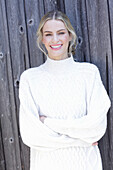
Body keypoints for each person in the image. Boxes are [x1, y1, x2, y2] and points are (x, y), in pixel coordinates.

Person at [19, 10, 111, 170]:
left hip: (86, 164)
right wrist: (81, 139)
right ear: (41, 38)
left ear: (70, 35)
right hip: (46, 165)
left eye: (60, 33)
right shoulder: (30, 79)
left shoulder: (89, 73)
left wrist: (47, 122)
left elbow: (96, 128)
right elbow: (31, 135)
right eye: (48, 34)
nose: (55, 39)